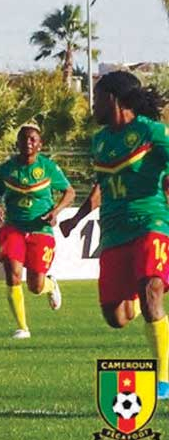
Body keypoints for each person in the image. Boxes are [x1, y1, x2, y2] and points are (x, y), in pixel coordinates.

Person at [59, 70, 169, 398]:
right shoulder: (101, 140)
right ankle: (145, 293)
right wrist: (77, 219)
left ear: (112, 99)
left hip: (150, 222)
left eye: (94, 98)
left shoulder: (151, 132)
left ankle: (163, 379)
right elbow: (102, 186)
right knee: (117, 317)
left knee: (151, 291)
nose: (91, 105)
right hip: (113, 232)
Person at [0, 124, 75, 339]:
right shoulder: (7, 169)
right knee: (12, 272)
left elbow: (69, 192)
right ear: (17, 143)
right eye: (24, 139)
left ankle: (50, 284)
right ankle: (22, 327)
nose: (28, 142)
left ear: (40, 144)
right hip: (14, 227)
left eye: (32, 139)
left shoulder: (48, 168)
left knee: (35, 286)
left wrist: (56, 211)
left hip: (41, 229)